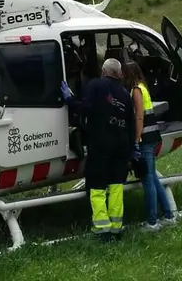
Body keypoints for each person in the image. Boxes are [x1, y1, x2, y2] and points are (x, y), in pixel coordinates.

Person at [61, 58, 135, 242]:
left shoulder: (96, 85)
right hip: (121, 146)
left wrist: (69, 99)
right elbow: (131, 125)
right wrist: (132, 149)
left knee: (97, 187)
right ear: (119, 74)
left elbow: (86, 109)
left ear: (103, 71)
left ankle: (102, 229)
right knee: (117, 187)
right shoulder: (126, 94)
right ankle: (117, 228)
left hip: (101, 144)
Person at [122, 61, 177, 232]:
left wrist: (136, 139)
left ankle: (152, 221)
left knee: (147, 179)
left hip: (145, 138)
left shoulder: (136, 90)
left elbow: (139, 117)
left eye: (124, 73)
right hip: (152, 136)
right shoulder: (143, 87)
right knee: (152, 177)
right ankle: (168, 215)